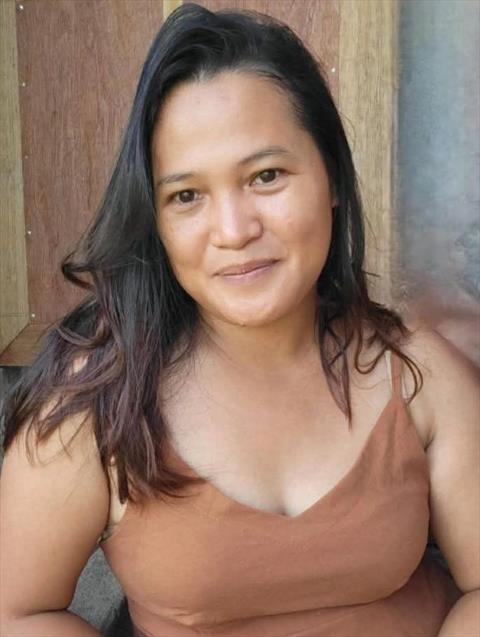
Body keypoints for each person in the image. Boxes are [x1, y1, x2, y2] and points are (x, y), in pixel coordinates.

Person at [1, 3, 478, 636]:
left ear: (332, 177)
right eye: (187, 196)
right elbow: (18, 610)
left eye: (266, 176)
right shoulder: (95, 402)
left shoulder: (421, 376)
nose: (233, 230)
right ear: (155, 219)